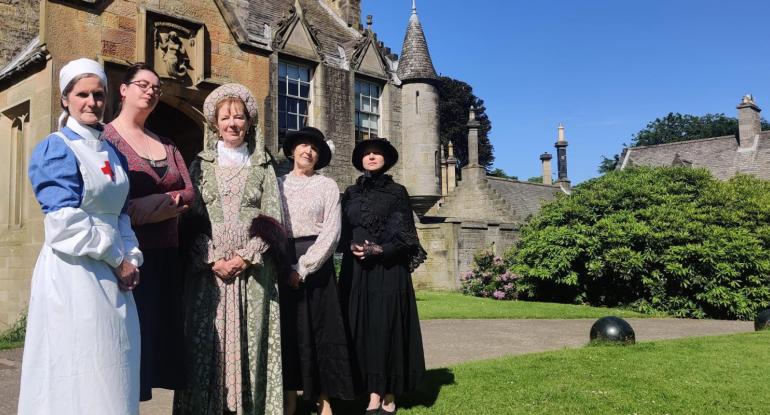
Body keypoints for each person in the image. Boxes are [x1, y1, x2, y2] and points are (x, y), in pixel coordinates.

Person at [18, 58, 143, 415]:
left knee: (115, 365)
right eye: (82, 94)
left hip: (115, 274)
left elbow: (120, 213)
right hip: (75, 273)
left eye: (98, 94)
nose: (92, 102)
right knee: (79, 367)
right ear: (66, 99)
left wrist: (131, 258)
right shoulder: (56, 148)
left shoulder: (112, 151)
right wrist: (118, 259)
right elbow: (63, 223)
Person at [173, 83, 283, 415]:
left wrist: (245, 257)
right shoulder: (200, 164)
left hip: (252, 273)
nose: (232, 123)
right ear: (214, 123)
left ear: (249, 123)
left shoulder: (262, 165)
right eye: (225, 117)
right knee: (206, 341)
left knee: (250, 339)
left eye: (239, 117)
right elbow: (189, 220)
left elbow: (272, 217)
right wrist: (211, 259)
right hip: (208, 273)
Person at [103, 62, 193, 401]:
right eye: (143, 84)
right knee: (125, 348)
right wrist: (156, 210)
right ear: (123, 90)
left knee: (155, 346)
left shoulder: (167, 144)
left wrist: (154, 205)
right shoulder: (106, 138)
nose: (151, 91)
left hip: (166, 257)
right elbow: (111, 198)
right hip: (126, 259)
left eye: (156, 87)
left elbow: (189, 192)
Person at [338, 138, 427, 415]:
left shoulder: (397, 192)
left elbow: (407, 237)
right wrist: (350, 247)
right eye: (367, 154)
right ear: (360, 160)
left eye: (377, 153)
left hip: (388, 271)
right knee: (360, 330)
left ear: (386, 159)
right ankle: (369, 391)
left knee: (386, 329)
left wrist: (378, 250)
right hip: (356, 273)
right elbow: (342, 230)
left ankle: (387, 393)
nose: (372, 157)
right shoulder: (350, 193)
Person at [278, 127, 355, 415]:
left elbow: (332, 232)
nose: (307, 151)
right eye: (302, 145)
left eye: (314, 148)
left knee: (322, 332)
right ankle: (290, 398)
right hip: (282, 262)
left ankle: (325, 398)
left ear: (319, 156)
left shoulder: (328, 186)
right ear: (292, 151)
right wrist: (285, 266)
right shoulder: (277, 184)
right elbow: (271, 226)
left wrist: (304, 267)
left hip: (317, 265)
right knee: (288, 331)